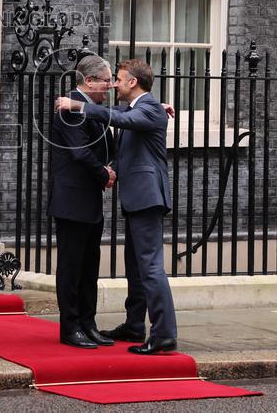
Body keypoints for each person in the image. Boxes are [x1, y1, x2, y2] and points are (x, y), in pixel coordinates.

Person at [55, 58, 178, 355]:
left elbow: (121, 119)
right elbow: (123, 114)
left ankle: (163, 335)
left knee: (150, 268)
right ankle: (135, 325)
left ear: (133, 82)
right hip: (136, 199)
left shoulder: (145, 109)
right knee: (136, 268)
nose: (113, 85)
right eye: (110, 80)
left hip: (147, 198)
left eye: (118, 80)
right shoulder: (145, 107)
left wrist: (79, 106)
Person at [48, 54, 117, 349]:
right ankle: (70, 327)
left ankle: (89, 324)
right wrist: (105, 173)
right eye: (107, 81)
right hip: (71, 200)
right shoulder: (69, 110)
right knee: (71, 267)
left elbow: (117, 125)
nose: (111, 86)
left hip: (89, 201)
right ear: (89, 81)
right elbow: (79, 151)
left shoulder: (92, 108)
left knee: (90, 267)